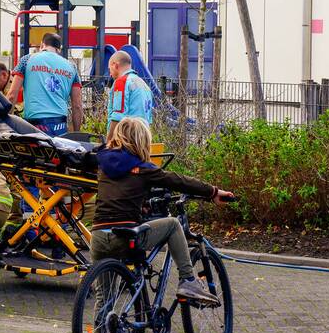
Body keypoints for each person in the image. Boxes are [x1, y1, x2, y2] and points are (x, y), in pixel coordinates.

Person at [91, 117, 235, 304]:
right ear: (141, 141)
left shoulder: (102, 165)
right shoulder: (143, 169)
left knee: (104, 297)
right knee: (173, 224)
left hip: (98, 236)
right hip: (124, 237)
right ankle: (188, 280)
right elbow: (179, 181)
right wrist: (213, 191)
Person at [6, 33, 82, 136]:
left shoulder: (26, 60)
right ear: (59, 49)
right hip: (60, 125)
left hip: (34, 125)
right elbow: (77, 105)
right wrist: (77, 134)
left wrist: (5, 125)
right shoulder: (72, 67)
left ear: (42, 45)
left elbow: (11, 95)